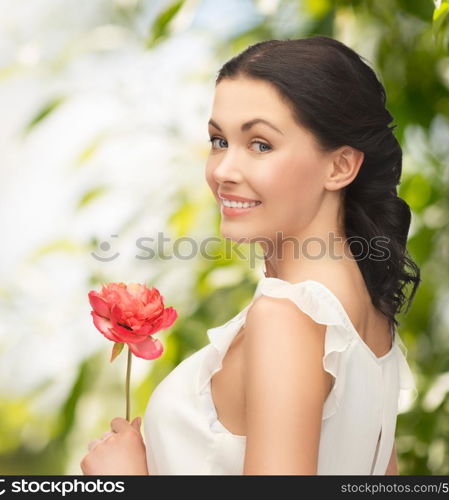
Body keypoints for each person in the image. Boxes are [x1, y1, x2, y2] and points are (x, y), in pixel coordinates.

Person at [80, 35, 420, 476]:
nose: (223, 171)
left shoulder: (289, 316)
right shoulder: (370, 315)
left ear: (339, 166)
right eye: (219, 140)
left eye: (260, 145)